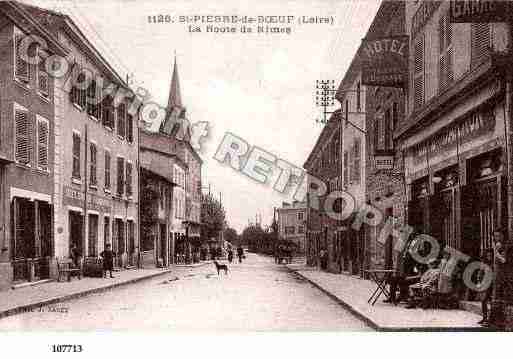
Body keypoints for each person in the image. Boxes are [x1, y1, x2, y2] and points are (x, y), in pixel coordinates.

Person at [479, 227, 507, 326]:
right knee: (486, 299)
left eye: (498, 235)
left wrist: (495, 250)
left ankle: (492, 320)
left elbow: (503, 260)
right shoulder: (495, 247)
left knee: (495, 299)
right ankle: (487, 318)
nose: (497, 238)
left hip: (500, 276)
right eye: (495, 236)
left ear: (503, 236)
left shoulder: (503, 246)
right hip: (494, 277)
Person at [384, 236, 419, 304]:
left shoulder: (413, 257)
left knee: (400, 280)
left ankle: (402, 296)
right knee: (392, 279)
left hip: (411, 276)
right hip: (405, 275)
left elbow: (415, 270)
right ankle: (392, 297)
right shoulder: (405, 255)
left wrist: (409, 274)